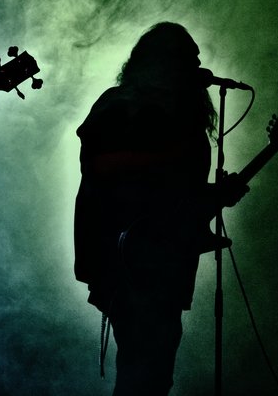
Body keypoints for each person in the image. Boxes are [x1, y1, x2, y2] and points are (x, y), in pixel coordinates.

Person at [74, 22, 248, 395]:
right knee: (144, 372)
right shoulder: (121, 103)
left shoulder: (181, 117)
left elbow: (173, 198)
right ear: (163, 62)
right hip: (130, 261)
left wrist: (217, 195)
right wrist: (170, 157)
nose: (198, 65)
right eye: (189, 58)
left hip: (163, 264)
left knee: (153, 374)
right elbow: (98, 165)